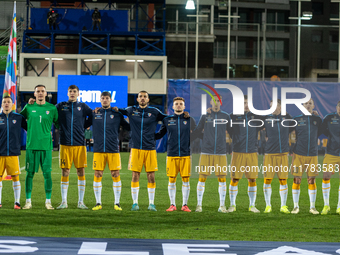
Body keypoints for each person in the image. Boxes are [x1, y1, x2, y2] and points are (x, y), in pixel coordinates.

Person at [113, 91, 168, 211]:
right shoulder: (131, 110)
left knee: (151, 176)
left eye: (145, 97)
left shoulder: (154, 112)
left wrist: (158, 135)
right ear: (137, 99)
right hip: (136, 148)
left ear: (148, 99)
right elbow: (117, 111)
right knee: (135, 175)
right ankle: (135, 203)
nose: (142, 98)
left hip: (150, 148)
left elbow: (168, 120)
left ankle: (151, 203)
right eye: (140, 97)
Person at [21, 85, 59, 210]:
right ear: (34, 94)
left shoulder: (52, 108)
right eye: (38, 91)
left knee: (47, 174)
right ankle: (28, 201)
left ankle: (48, 202)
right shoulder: (28, 107)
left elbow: (58, 124)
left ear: (46, 93)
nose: (41, 93)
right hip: (31, 146)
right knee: (29, 174)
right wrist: (30, 130)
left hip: (46, 147)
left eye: (43, 91)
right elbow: (19, 120)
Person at [155, 97, 196, 212]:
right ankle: (172, 204)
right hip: (172, 154)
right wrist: (147, 135)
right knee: (172, 179)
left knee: (185, 179)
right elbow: (159, 134)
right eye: (176, 104)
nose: (178, 105)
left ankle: (185, 205)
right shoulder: (167, 120)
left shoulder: (190, 120)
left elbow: (197, 133)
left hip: (186, 154)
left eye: (181, 104)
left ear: (184, 106)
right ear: (172, 107)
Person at [90, 92, 130, 211]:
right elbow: (83, 123)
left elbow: (129, 127)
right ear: (100, 100)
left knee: (115, 174)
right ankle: (98, 203)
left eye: (107, 98)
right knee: (98, 174)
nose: (105, 100)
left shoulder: (117, 114)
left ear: (111, 99)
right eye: (103, 98)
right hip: (98, 149)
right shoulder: (94, 114)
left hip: (113, 149)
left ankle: (117, 203)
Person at [55, 85, 92, 209]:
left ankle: (80, 202)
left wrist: (83, 125)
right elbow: (49, 113)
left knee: (80, 170)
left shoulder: (83, 107)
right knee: (65, 171)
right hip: (65, 143)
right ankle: (64, 201)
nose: (72, 93)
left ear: (78, 93)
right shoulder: (60, 106)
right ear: (67, 93)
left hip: (79, 144)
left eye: (74, 91)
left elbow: (92, 117)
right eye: (70, 91)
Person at [192, 94, 230, 213]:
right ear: (210, 102)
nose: (216, 102)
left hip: (220, 152)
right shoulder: (205, 116)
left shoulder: (226, 116)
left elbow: (232, 131)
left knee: (222, 179)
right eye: (214, 100)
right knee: (202, 178)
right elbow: (198, 131)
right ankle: (199, 205)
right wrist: (206, 138)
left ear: (221, 102)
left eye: (218, 100)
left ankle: (222, 206)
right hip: (206, 152)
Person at [228, 95, 262, 213]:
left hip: (252, 152)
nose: (246, 105)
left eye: (248, 103)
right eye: (244, 103)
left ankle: (252, 205)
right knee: (235, 179)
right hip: (238, 152)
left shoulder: (257, 117)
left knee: (252, 179)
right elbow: (227, 129)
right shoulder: (232, 116)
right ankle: (232, 205)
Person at [291, 98, 322, 214]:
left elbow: (320, 132)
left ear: (313, 105)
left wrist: (318, 115)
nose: (308, 105)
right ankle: (295, 206)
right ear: (302, 105)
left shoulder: (317, 119)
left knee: (311, 180)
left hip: (313, 155)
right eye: (306, 103)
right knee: (297, 179)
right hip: (299, 154)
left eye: (310, 103)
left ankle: (312, 207)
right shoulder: (297, 119)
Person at [262, 99, 293, 214]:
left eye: (275, 106)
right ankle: (268, 205)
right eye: (271, 106)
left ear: (280, 107)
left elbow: (295, 127)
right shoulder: (266, 118)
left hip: (283, 154)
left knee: (283, 180)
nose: (272, 108)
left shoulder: (287, 118)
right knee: (267, 180)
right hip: (269, 154)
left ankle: (283, 206)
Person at [0, 96, 27, 209]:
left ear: (12, 104)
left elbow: (30, 128)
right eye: (4, 102)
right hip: (0, 153)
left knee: (15, 177)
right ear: (2, 104)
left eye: (8, 102)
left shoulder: (19, 118)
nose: (6, 104)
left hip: (13, 153)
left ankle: (17, 202)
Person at [320, 101, 340, 215]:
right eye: (339, 107)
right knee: (326, 176)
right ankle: (326, 205)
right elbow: (322, 130)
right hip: (331, 152)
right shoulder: (329, 117)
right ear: (336, 107)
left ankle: (339, 206)